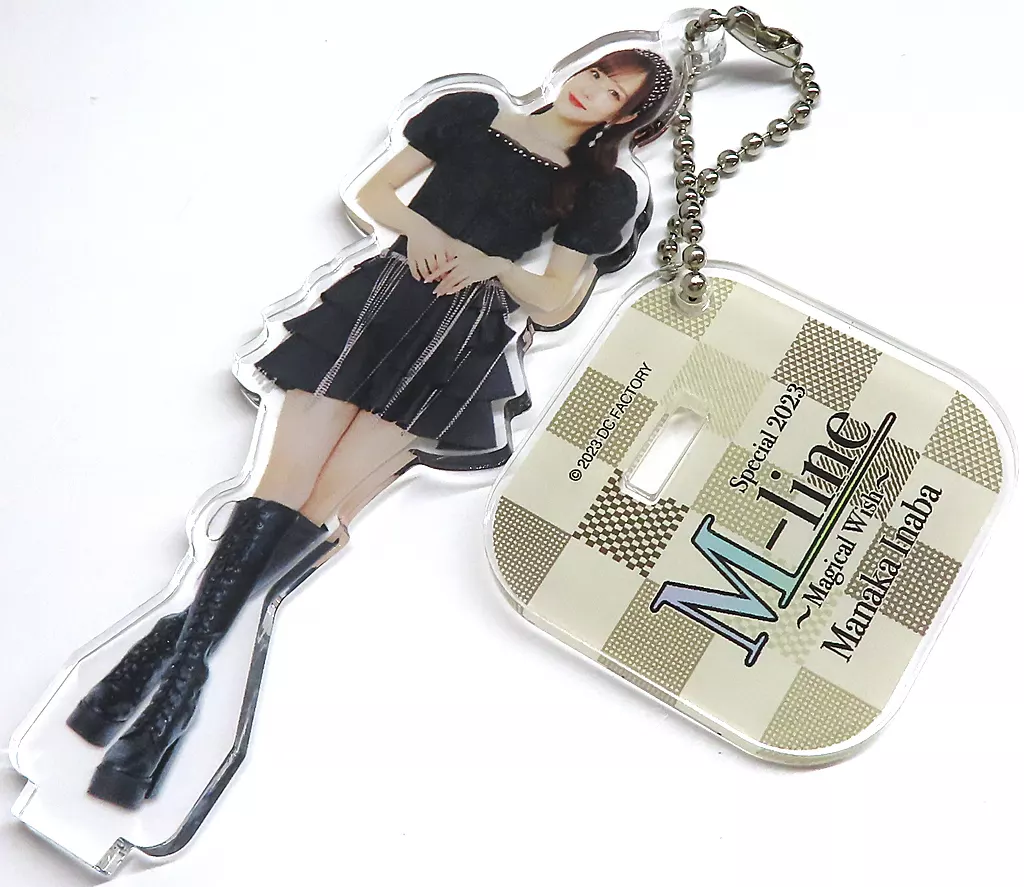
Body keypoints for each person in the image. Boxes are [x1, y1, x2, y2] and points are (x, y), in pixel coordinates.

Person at [67, 47, 676, 809]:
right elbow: (374, 192)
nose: (594, 90)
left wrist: (491, 265)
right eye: (597, 74)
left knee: (318, 511)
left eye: (615, 93)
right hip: (376, 303)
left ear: (627, 118)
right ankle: (171, 694)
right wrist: (420, 231)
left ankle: (148, 681)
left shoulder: (602, 187)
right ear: (575, 70)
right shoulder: (472, 114)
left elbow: (554, 299)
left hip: (456, 341)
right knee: (279, 490)